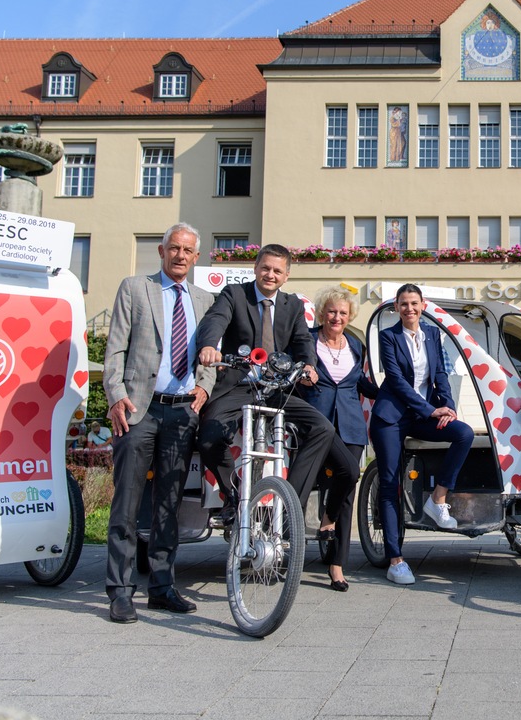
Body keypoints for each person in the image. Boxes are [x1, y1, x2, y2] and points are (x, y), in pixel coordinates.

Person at [102, 222, 216, 623]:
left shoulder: (205, 299)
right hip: (139, 409)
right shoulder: (135, 289)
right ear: (162, 251)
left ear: (196, 257)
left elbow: (210, 353)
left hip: (182, 411)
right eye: (174, 248)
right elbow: (115, 349)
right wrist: (116, 396)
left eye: (188, 250)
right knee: (128, 502)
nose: (180, 255)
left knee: (169, 504)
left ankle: (163, 587)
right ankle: (120, 590)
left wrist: (204, 389)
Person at [195, 244, 356, 520]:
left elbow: (302, 340)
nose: (271, 274)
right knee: (209, 437)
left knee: (322, 429)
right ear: (256, 268)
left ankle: (289, 504)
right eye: (266, 268)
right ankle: (232, 493)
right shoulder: (235, 294)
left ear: (286, 275)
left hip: (275, 388)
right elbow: (215, 320)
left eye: (277, 271)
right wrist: (209, 345)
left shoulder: (291, 305)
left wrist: (308, 364)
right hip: (238, 385)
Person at [370, 284, 475, 586]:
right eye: (403, 304)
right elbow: (397, 381)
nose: (409, 309)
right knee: (391, 482)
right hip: (390, 417)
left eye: (414, 303)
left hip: (422, 414)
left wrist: (448, 408)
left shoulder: (432, 334)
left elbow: (440, 374)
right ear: (396, 307)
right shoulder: (387, 336)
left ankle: (437, 499)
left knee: (463, 434)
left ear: (423, 305)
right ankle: (396, 561)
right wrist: (431, 410)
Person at [299, 286, 378, 592]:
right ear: (322, 312)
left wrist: (391, 396)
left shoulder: (355, 344)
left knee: (346, 492)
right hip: (316, 423)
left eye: (343, 312)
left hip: (351, 426)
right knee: (318, 482)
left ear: (350, 316)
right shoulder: (306, 339)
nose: (337, 317)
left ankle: (337, 565)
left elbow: (360, 382)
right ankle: (289, 547)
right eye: (332, 311)